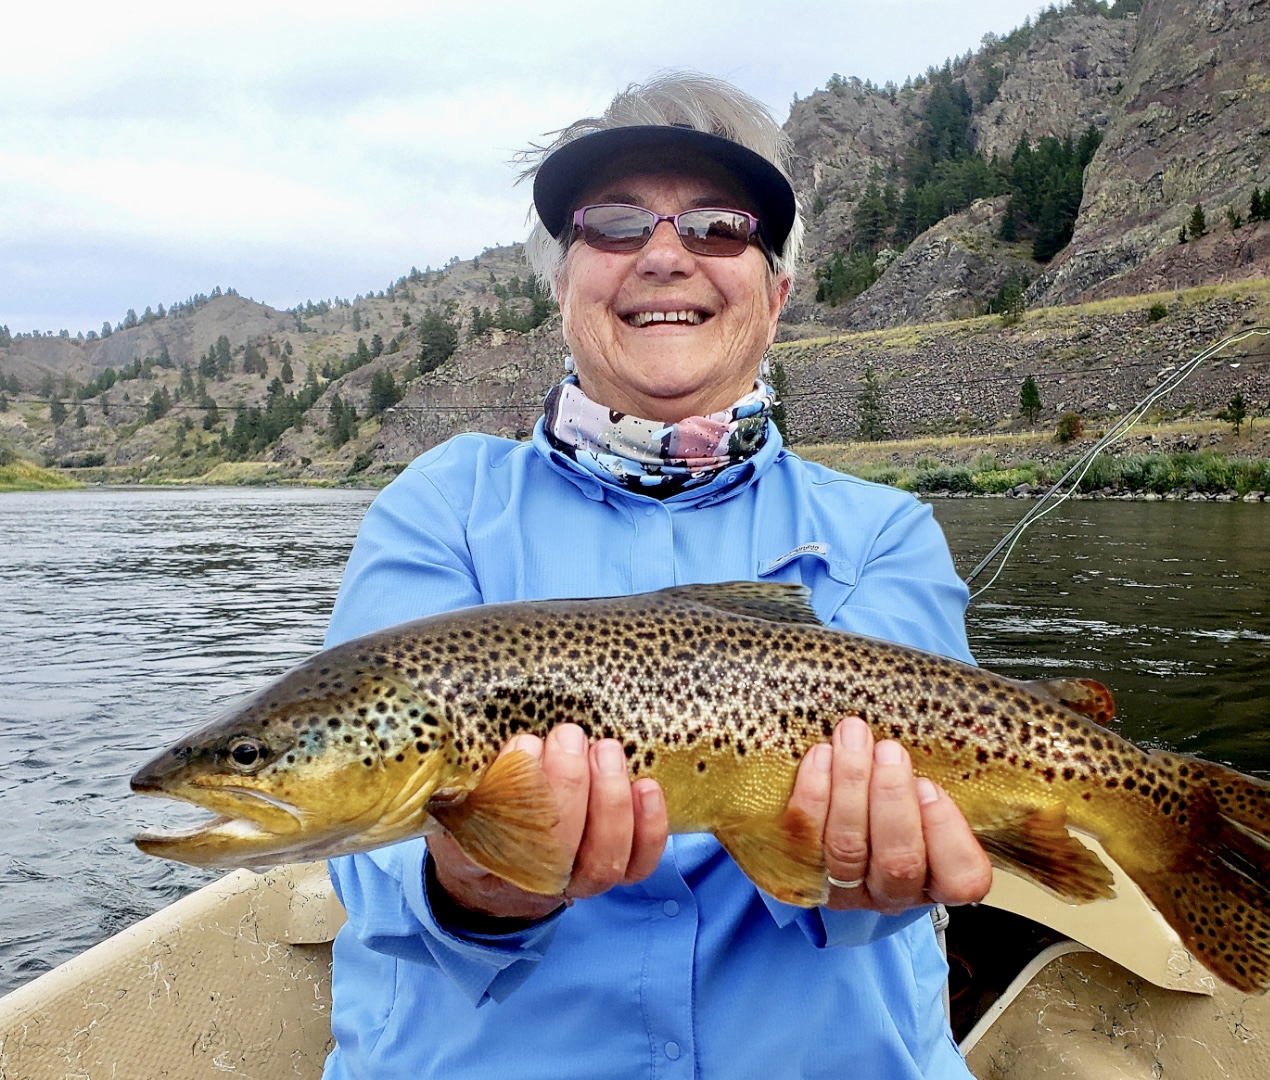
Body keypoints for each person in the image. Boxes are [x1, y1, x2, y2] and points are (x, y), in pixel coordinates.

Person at [321, 72, 992, 1080]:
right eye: (617, 222)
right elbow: (369, 848)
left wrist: (868, 869)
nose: (666, 255)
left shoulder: (884, 536)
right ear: (565, 281)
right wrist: (473, 877)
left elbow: (919, 847)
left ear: (775, 293)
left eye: (721, 226)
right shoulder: (441, 509)